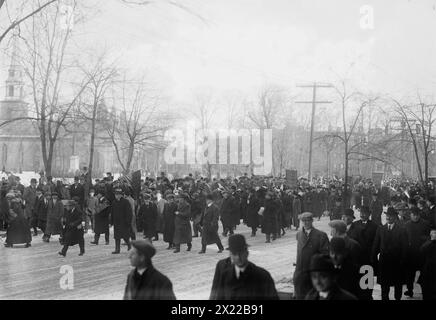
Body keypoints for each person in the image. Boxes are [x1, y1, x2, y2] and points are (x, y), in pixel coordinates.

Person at [209, 234, 278, 300]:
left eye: (241, 253)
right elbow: (216, 294)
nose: (238, 257)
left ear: (247, 253)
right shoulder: (224, 271)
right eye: (235, 254)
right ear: (230, 255)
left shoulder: (262, 276)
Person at [371, 207, 408, 300]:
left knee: (398, 286)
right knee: (384, 287)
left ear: (395, 217)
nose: (388, 217)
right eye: (387, 215)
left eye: (390, 216)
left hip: (397, 263)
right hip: (384, 263)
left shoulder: (401, 230)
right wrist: (374, 259)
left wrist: (403, 261)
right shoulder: (381, 229)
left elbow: (405, 248)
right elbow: (376, 245)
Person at [293, 212, 329, 300]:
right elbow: (299, 254)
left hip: (313, 274)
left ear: (312, 221)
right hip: (301, 273)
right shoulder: (299, 234)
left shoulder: (320, 235)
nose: (305, 223)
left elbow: (325, 255)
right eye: (303, 221)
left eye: (308, 221)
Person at [351, 205, 378, 300]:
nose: (362, 215)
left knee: (368, 281)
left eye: (365, 213)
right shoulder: (354, 225)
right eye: (361, 213)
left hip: (368, 258)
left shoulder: (374, 226)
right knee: (357, 280)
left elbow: (376, 242)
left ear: (369, 214)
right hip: (356, 259)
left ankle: (368, 297)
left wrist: (373, 254)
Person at [403, 207, 431, 298]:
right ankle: (410, 290)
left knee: (424, 275)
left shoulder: (425, 224)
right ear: (410, 215)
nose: (415, 217)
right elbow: (403, 239)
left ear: (419, 215)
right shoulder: (406, 225)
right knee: (409, 275)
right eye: (413, 215)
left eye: (417, 215)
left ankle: (425, 291)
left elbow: (429, 238)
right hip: (410, 254)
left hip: (422, 254)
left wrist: (424, 239)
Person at [111, 188, 133, 254]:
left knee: (125, 236)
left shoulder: (126, 202)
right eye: (116, 195)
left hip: (124, 222)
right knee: (117, 237)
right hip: (116, 222)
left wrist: (128, 221)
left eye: (118, 194)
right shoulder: (114, 202)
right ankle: (117, 249)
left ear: (121, 195)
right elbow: (112, 213)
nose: (117, 196)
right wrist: (111, 221)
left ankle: (129, 244)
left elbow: (129, 212)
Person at [418, 229, 436, 300]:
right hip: (427, 271)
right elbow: (421, 257)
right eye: (435, 233)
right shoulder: (426, 245)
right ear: (431, 234)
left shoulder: (426, 245)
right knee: (427, 291)